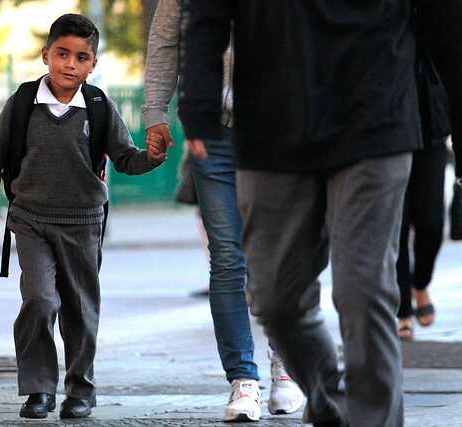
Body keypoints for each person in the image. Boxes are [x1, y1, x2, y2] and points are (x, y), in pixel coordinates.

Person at [177, 1, 462, 427]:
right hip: (271, 120)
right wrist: (199, 103)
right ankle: (332, 404)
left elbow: (447, 22)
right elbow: (205, 16)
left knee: (364, 291)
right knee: (275, 297)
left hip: (376, 112)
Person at [0, 14, 166, 420]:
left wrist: (151, 157)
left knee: (79, 310)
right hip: (30, 219)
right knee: (39, 301)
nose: (69, 64)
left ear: (92, 64)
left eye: (81, 57)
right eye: (62, 54)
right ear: (46, 55)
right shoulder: (22, 103)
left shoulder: (98, 106)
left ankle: (81, 390)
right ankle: (39, 389)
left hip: (84, 222)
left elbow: (125, 157)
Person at [142, 0, 304, 421]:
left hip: (282, 128)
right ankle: (243, 381)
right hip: (213, 132)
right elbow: (164, 42)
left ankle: (286, 366)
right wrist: (155, 113)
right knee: (228, 258)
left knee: (277, 254)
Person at [396, 43, 451, 339]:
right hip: (390, 136)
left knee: (431, 224)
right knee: (398, 227)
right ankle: (404, 310)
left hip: (432, 131)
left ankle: (420, 283)